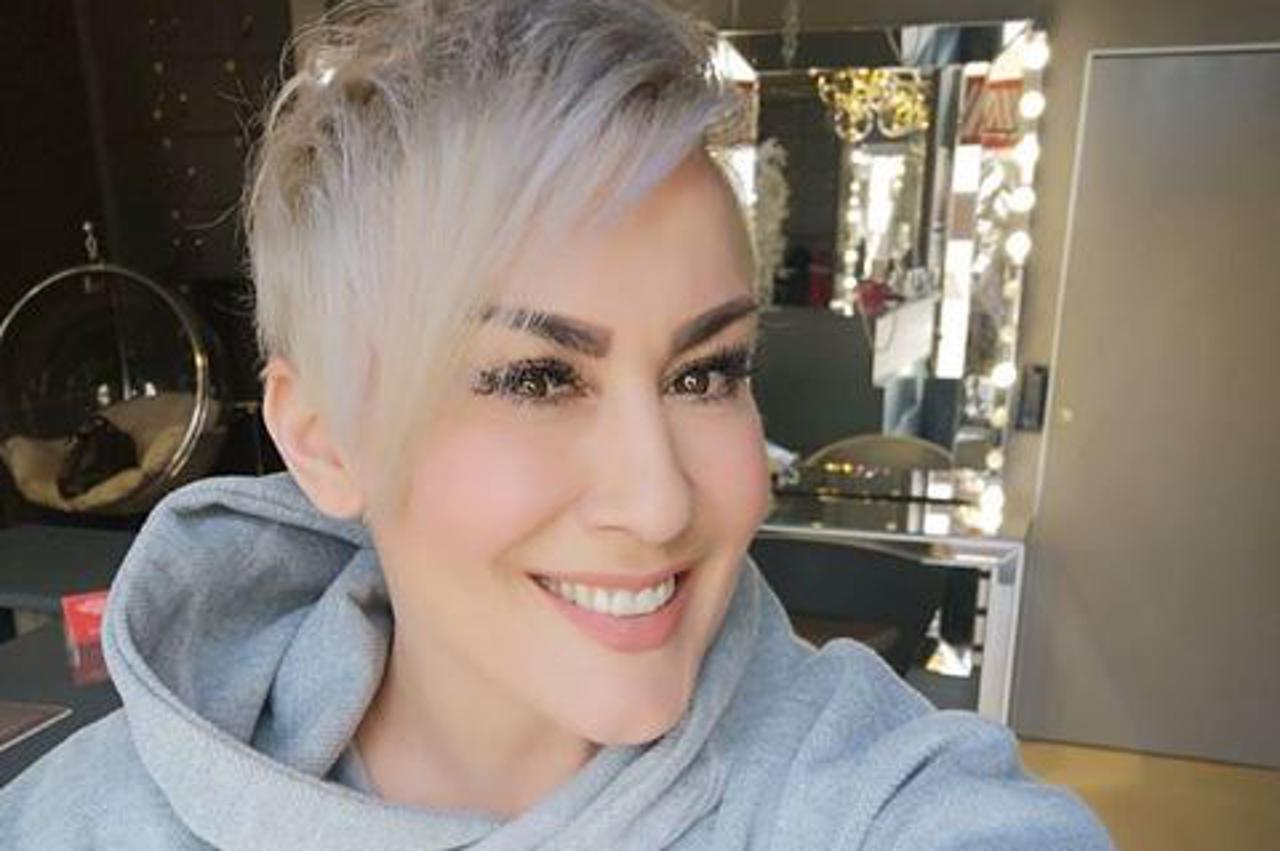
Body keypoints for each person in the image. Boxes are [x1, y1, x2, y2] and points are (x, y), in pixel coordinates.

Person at [0, 1, 1112, 847]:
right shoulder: (86, 818)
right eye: (536, 378)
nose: (660, 501)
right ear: (326, 438)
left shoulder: (868, 792)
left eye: (706, 372)